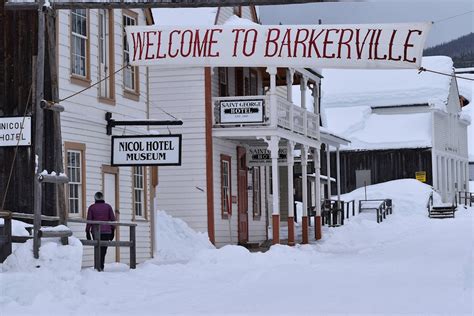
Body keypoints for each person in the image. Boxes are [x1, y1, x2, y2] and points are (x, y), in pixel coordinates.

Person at [85, 191, 116, 271]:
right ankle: (101, 266)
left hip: (95, 232)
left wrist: (87, 231)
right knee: (103, 250)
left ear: (95, 198)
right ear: (103, 197)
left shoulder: (92, 207)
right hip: (107, 231)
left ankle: (98, 266)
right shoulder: (108, 207)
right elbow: (113, 220)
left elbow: (89, 220)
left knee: (97, 248)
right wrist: (113, 230)